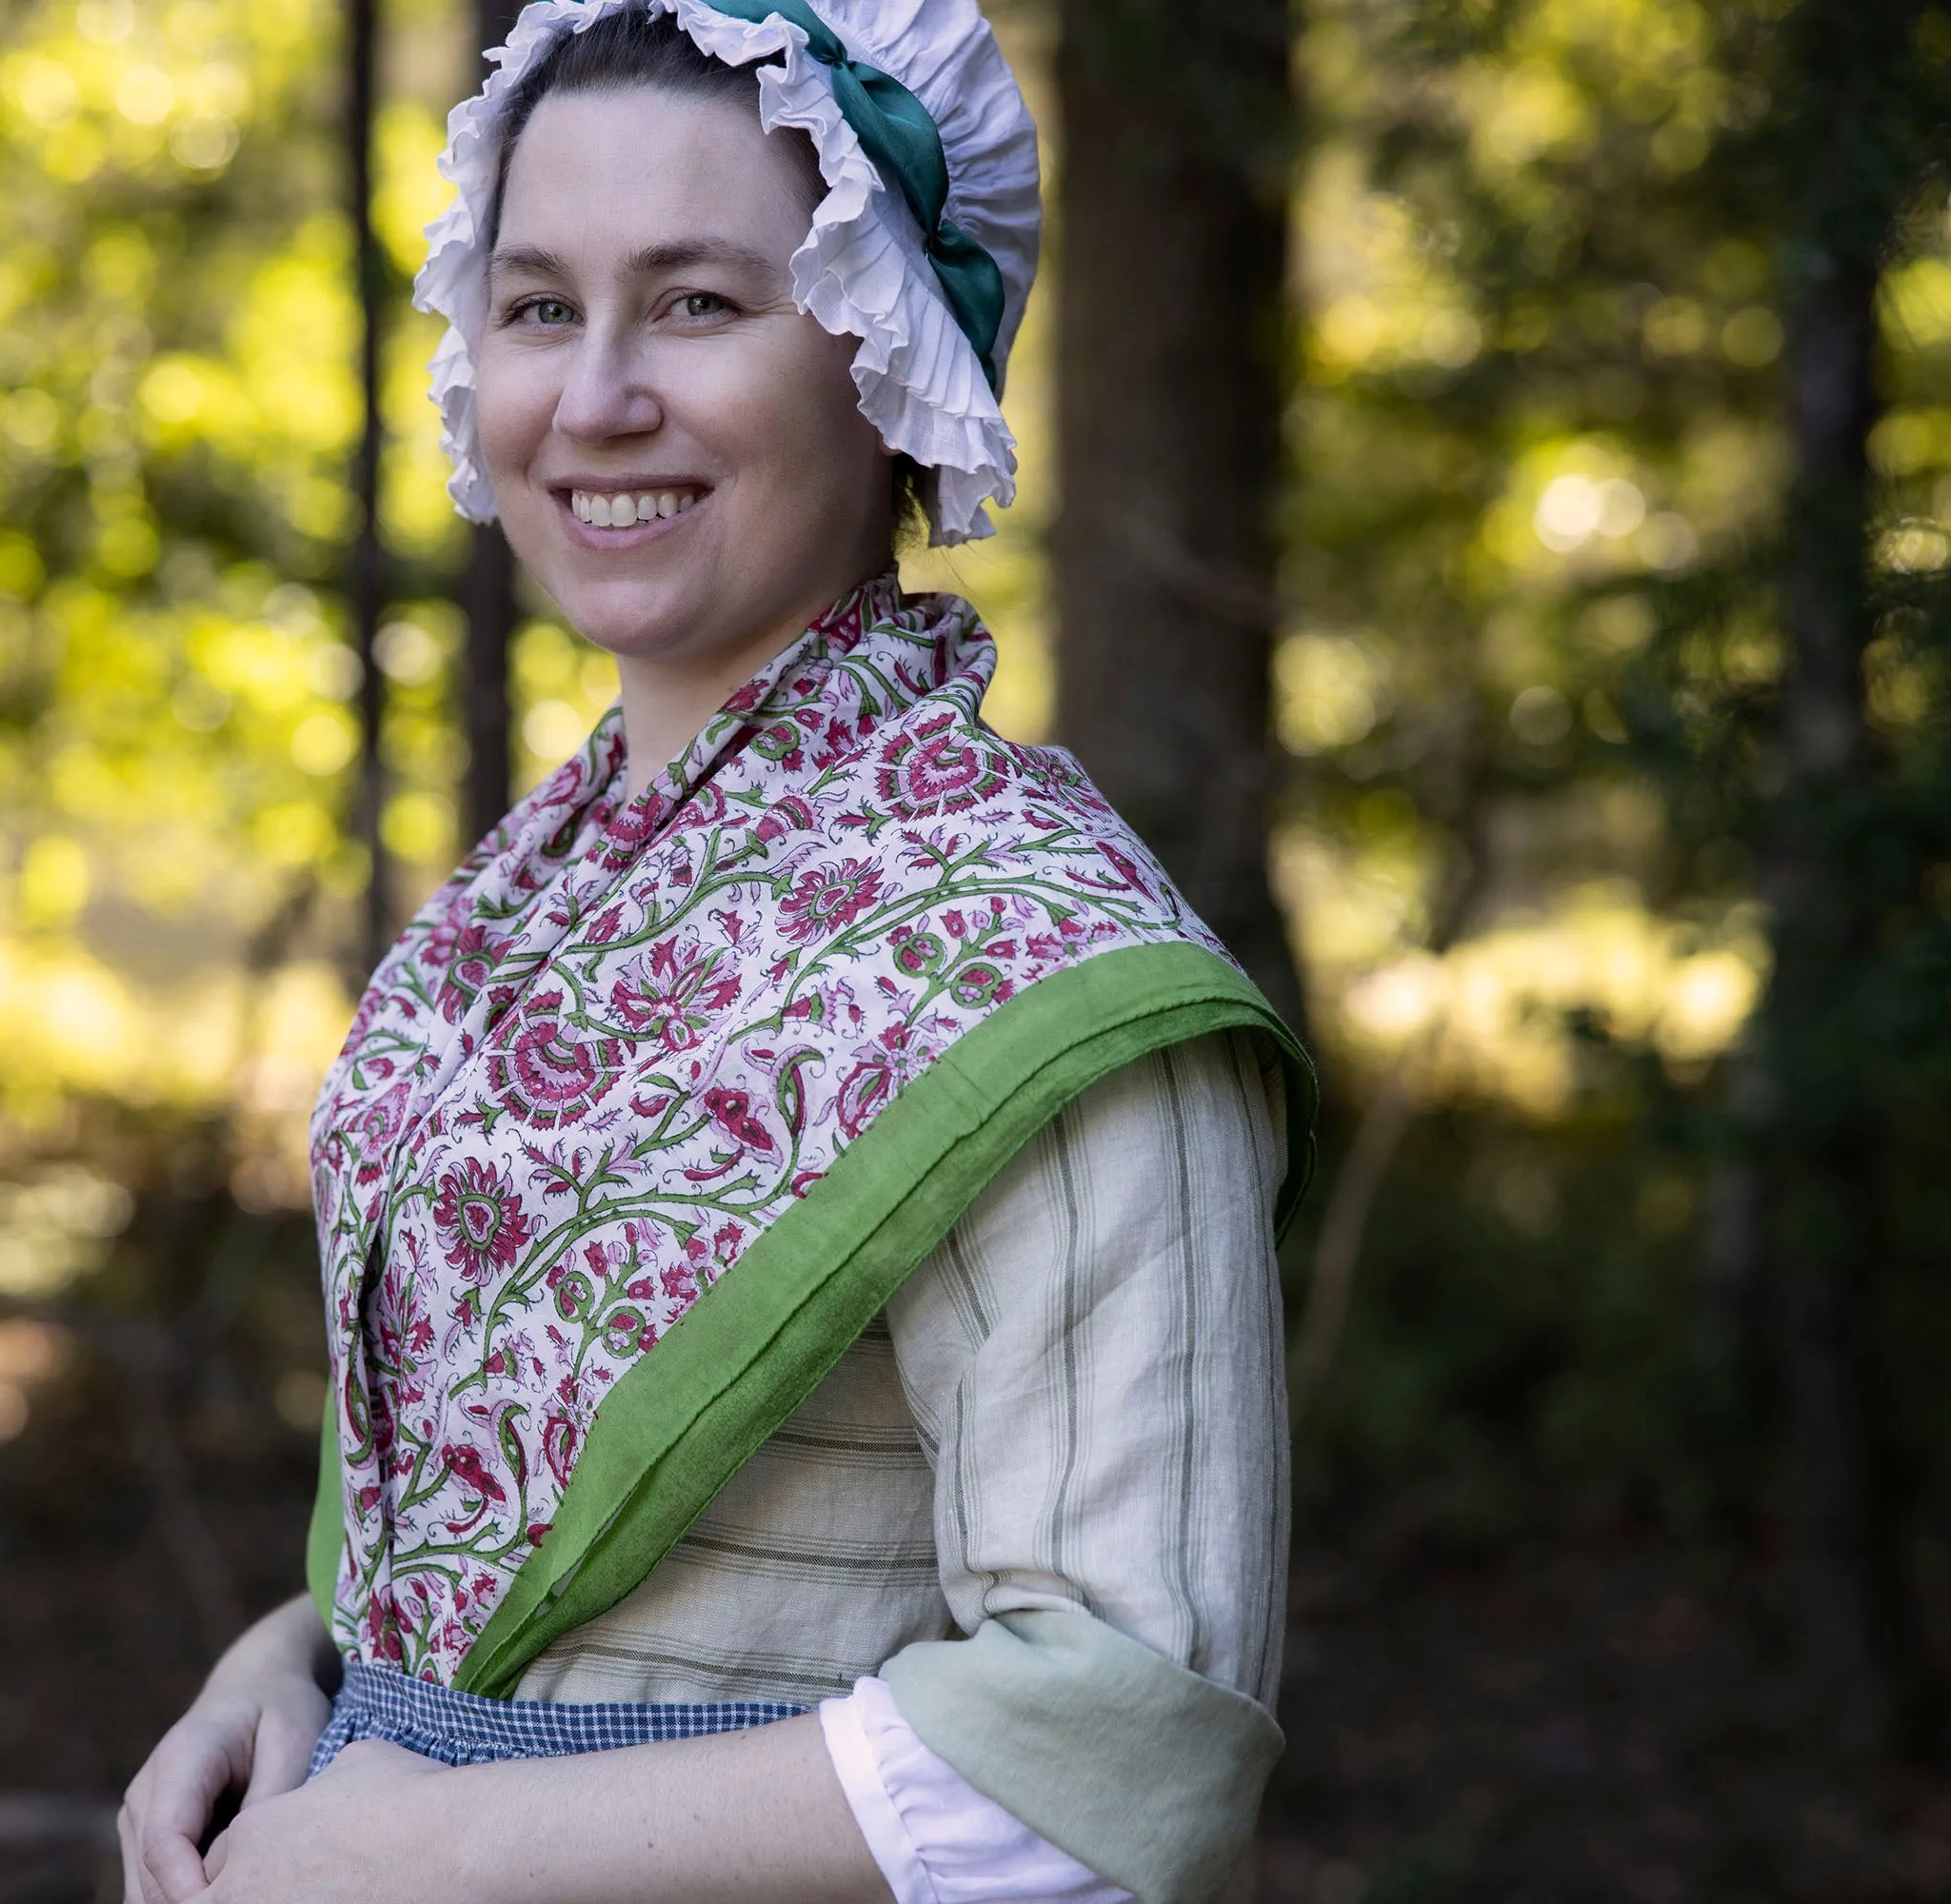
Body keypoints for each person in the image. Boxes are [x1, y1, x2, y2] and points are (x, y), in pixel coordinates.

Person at [118, 1, 1314, 1898]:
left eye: (694, 304)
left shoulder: (1044, 967)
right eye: (534, 307)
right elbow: (477, 1552)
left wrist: (446, 1845)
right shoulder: (519, 911)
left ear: (883, 348)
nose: (592, 395)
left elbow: (1120, 1736)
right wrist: (287, 1670)